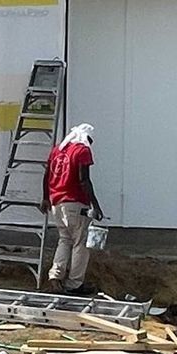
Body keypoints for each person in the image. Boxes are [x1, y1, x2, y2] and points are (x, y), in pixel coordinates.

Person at [43, 122, 104, 296]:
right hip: (75, 203)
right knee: (80, 243)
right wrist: (96, 206)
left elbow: (47, 175)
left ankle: (55, 275)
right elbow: (84, 180)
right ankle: (74, 284)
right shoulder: (82, 151)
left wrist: (45, 197)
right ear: (86, 138)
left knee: (64, 239)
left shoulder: (58, 150)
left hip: (57, 203)